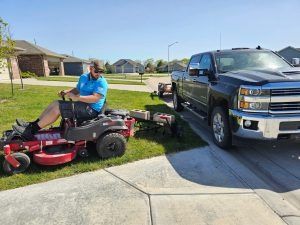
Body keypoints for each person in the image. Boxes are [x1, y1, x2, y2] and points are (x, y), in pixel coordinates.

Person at [13, 60, 108, 140]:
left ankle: (31, 131)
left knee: (58, 108)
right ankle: (32, 125)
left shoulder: (101, 82)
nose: (99, 74)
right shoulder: (83, 77)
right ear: (91, 68)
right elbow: (78, 89)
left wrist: (78, 97)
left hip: (91, 110)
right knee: (55, 103)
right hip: (82, 103)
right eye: (97, 71)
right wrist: (66, 92)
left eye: (101, 72)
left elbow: (95, 98)